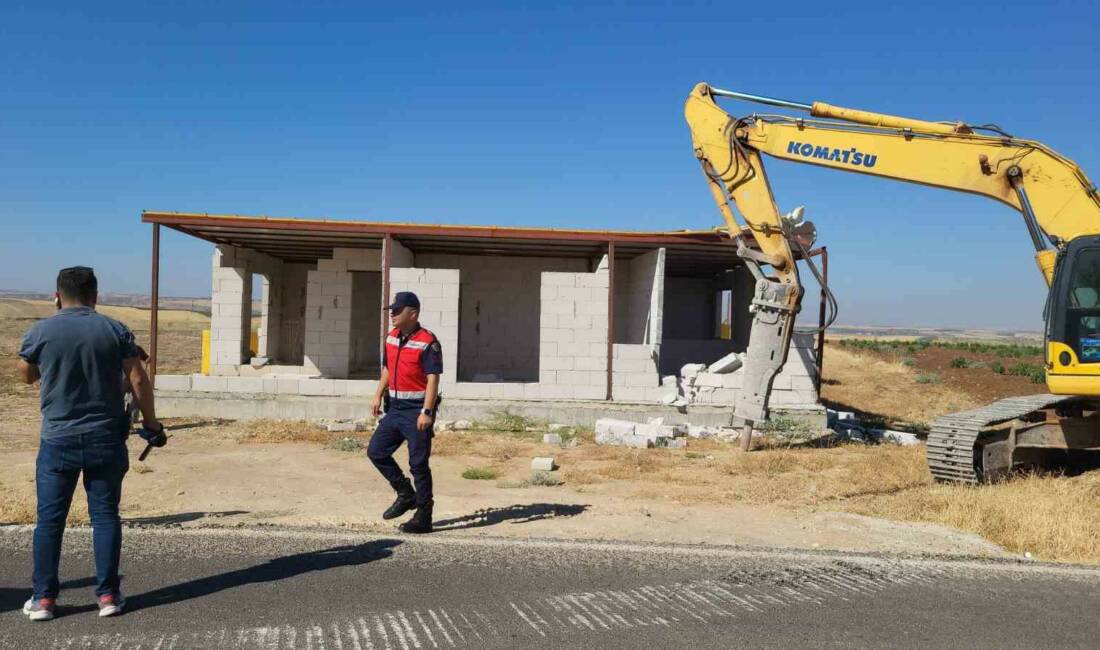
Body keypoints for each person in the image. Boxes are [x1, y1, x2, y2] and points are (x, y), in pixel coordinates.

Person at [17, 267, 163, 621]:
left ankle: (43, 600)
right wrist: (152, 423)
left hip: (58, 439)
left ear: (57, 296)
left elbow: (25, 374)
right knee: (105, 517)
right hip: (106, 438)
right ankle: (108, 596)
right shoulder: (114, 329)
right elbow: (139, 379)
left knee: (50, 521)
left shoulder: (41, 330)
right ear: (95, 296)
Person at [367, 291, 443, 534]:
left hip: (416, 411)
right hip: (395, 409)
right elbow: (388, 368)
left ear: (413, 313)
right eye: (391, 310)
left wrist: (427, 412)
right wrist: (378, 393)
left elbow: (433, 379)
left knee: (418, 464)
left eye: (397, 311)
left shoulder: (428, 341)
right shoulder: (391, 338)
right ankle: (405, 493)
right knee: (376, 451)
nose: (392, 314)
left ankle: (424, 516)